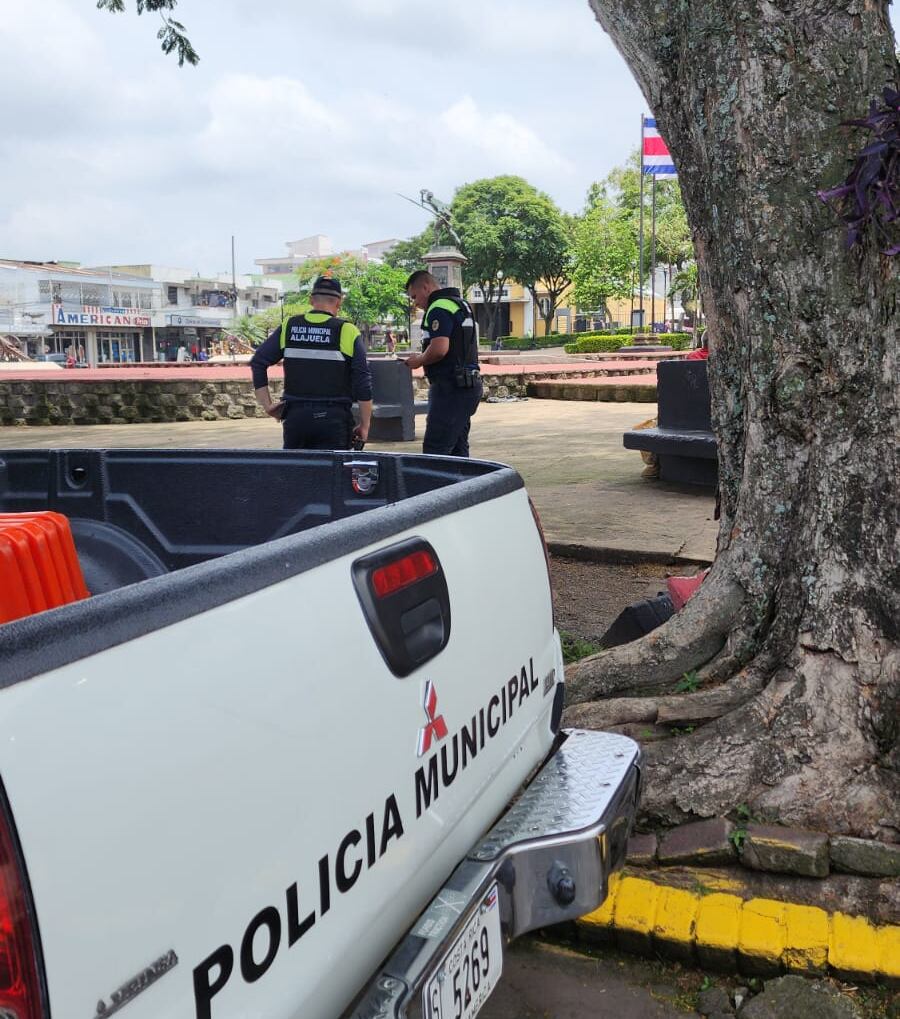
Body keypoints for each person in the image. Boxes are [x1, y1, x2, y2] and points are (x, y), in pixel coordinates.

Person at [250, 275, 372, 450]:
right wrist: (365, 425)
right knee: (334, 475)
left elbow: (258, 362)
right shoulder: (347, 330)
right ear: (339, 302)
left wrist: (268, 405)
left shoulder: (289, 326)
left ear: (311, 300)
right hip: (333, 420)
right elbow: (363, 383)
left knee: (298, 473)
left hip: (296, 418)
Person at [403, 270, 482, 457]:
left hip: (450, 388)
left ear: (426, 287)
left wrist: (418, 360)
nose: (416, 303)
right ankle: (464, 486)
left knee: (435, 451)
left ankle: (440, 487)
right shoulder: (460, 304)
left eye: (415, 296)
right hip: (467, 386)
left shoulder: (438, 307)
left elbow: (439, 349)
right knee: (457, 450)